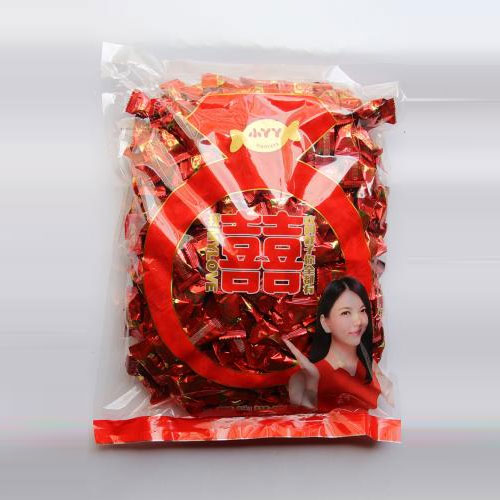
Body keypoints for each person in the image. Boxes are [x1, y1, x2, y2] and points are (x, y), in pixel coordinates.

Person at [285, 276, 394, 412]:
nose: (358, 321)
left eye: (362, 310)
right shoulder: (302, 378)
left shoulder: (369, 366)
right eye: (345, 313)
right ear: (325, 323)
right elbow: (301, 420)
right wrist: (312, 383)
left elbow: (395, 406)